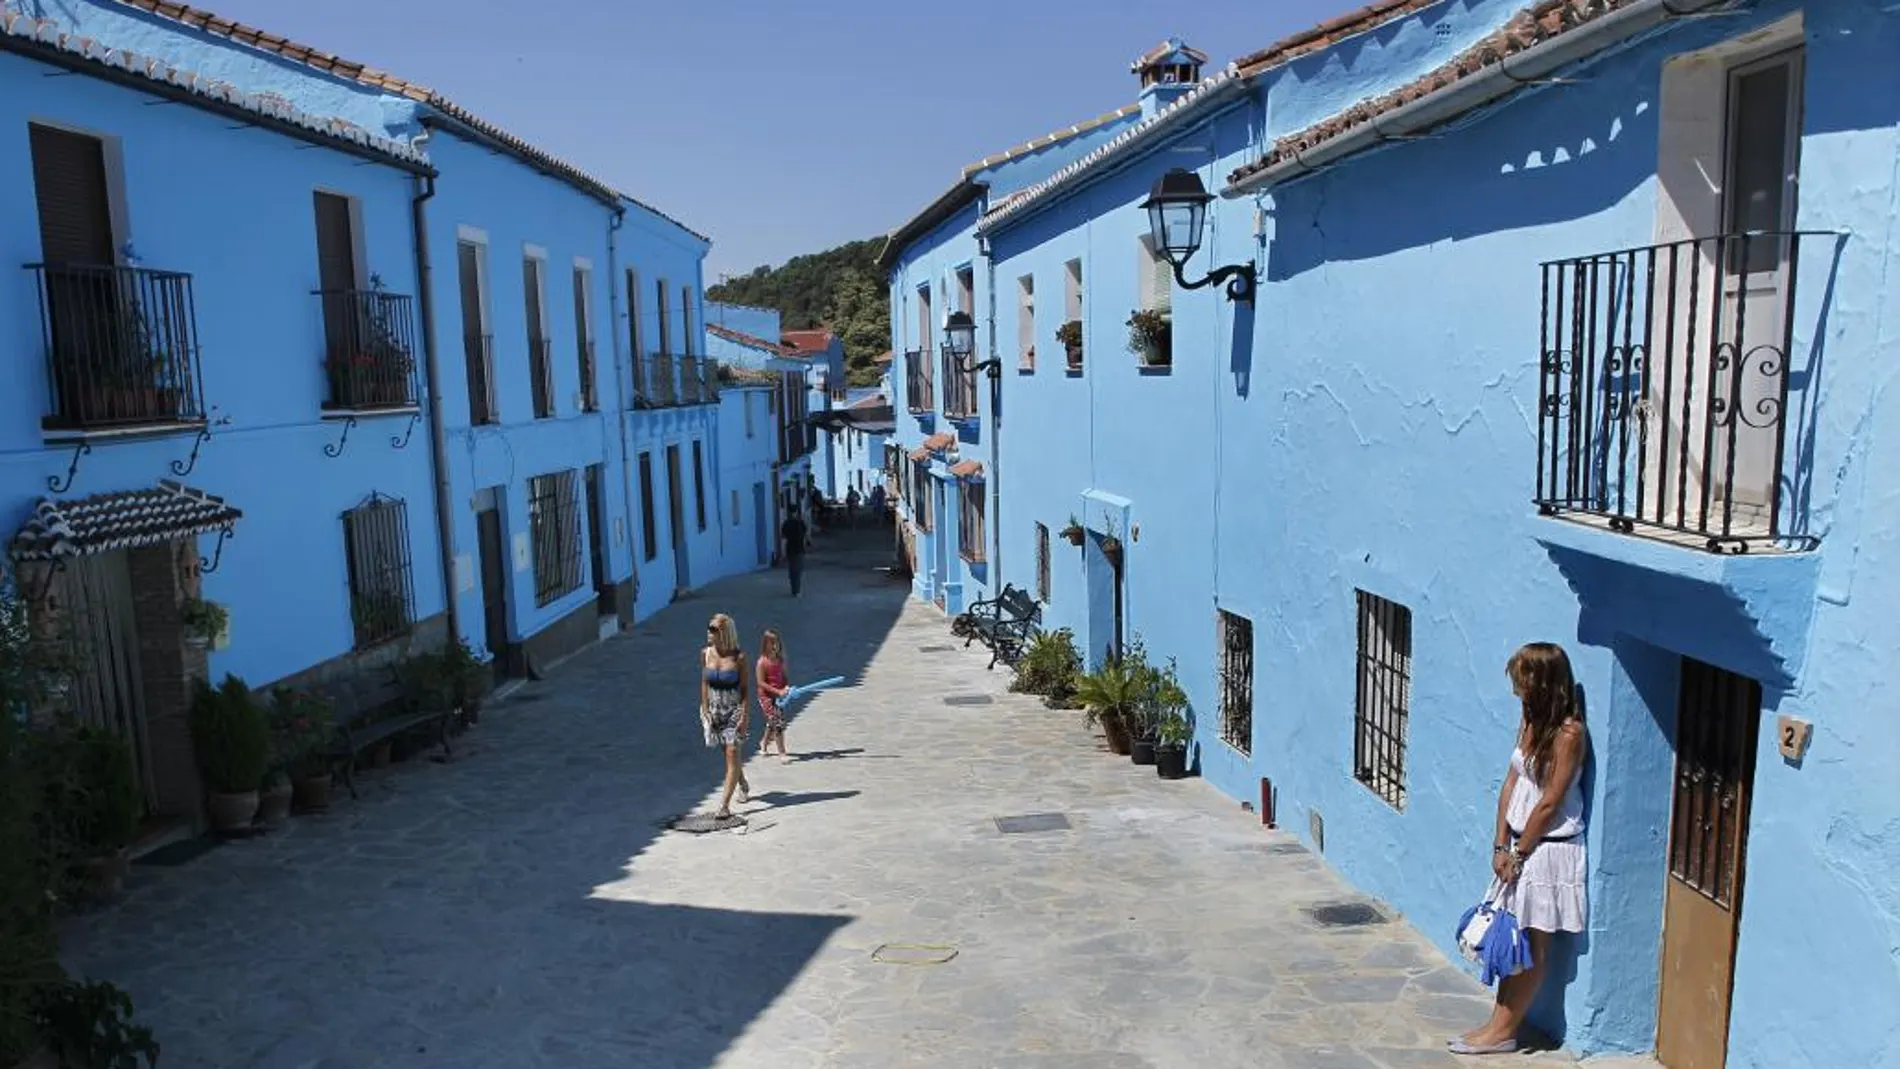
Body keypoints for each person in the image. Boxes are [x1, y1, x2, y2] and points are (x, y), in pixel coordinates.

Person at [1452, 642, 1589, 1057]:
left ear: (1545, 681)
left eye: (1524, 680)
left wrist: (1520, 853)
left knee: (1531, 944)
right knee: (1509, 938)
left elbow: (1550, 801)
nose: (1518, 689)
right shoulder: (1531, 720)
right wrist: (1499, 842)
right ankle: (1497, 1024)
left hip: (1547, 851)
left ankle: (1504, 1032)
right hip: (1518, 845)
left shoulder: (1569, 735)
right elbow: (1512, 782)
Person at [700, 614, 752, 820]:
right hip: (714, 711)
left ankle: (724, 805)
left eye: (714, 629)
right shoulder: (705, 654)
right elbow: (704, 683)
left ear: (725, 632)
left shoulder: (739, 658)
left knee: (731, 751)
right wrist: (705, 710)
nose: (709, 632)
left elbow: (746, 689)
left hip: (733, 710)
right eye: (709, 628)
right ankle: (742, 782)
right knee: (727, 753)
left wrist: (744, 715)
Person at [756, 628, 791, 760]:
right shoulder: (762, 662)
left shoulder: (780, 660)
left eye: (777, 642)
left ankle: (763, 743)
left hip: (779, 697)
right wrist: (778, 691)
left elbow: (784, 676)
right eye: (772, 643)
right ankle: (782, 752)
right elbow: (761, 683)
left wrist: (787, 687)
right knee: (778, 723)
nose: (775, 646)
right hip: (766, 697)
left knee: (773, 721)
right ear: (765, 644)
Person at [780, 508, 808, 596]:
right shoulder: (800, 523)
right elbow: (805, 534)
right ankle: (796, 590)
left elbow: (783, 536)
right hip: (799, 549)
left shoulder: (786, 523)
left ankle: (794, 589)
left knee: (792, 570)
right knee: (798, 570)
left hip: (790, 549)